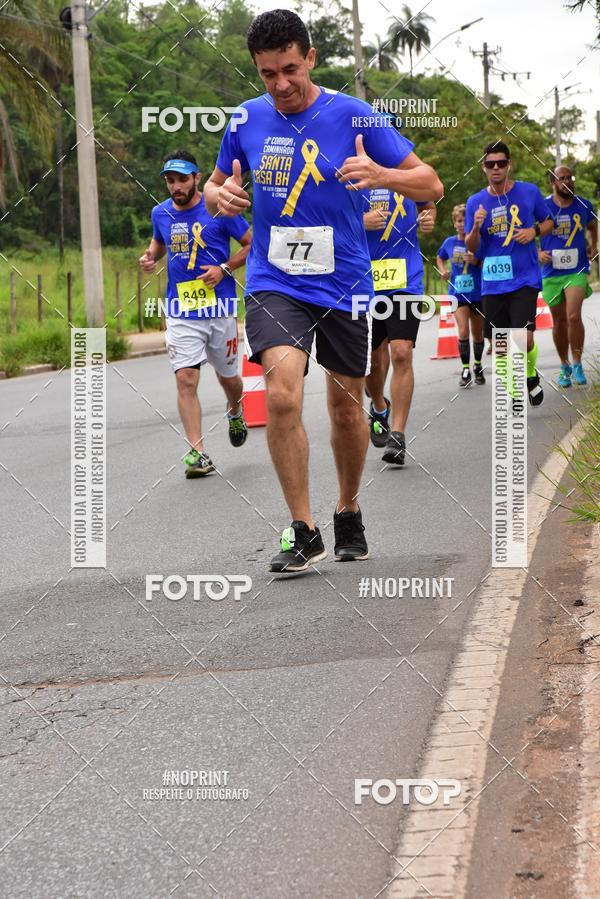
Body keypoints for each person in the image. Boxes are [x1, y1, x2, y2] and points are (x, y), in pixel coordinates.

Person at [203, 9, 443, 573]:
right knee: (283, 394)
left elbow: (429, 182)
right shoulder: (245, 119)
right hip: (274, 280)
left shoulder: (354, 115)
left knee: (344, 407)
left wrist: (382, 176)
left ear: (310, 58)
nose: (280, 84)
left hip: (345, 284)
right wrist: (222, 199)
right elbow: (216, 187)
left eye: (289, 69)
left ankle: (348, 509)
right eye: (267, 74)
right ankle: (302, 527)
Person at [140, 150, 252, 478]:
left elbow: (250, 243)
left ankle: (235, 409)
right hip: (181, 310)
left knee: (229, 378)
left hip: (219, 309)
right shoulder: (160, 214)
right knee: (186, 378)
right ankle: (197, 452)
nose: (175, 186)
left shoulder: (220, 208)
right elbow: (158, 246)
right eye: (170, 181)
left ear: (197, 178)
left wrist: (224, 267)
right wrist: (149, 259)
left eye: (182, 180)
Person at [465, 141, 554, 406]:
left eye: (501, 163)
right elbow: (472, 246)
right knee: (501, 344)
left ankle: (529, 373)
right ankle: (514, 396)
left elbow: (549, 220)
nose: (496, 168)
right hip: (492, 283)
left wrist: (533, 232)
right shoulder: (475, 202)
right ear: (483, 167)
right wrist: (475, 228)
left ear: (509, 165)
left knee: (523, 338)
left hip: (524, 278)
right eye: (490, 164)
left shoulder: (529, 192)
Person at [363, 191, 436, 463]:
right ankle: (380, 406)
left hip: (405, 281)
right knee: (370, 360)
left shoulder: (405, 171)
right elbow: (332, 219)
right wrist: (361, 221)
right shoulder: (351, 173)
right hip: (364, 282)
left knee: (402, 352)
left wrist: (429, 217)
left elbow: (428, 202)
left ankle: (398, 435)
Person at [539, 165, 598, 387]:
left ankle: (577, 363)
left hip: (577, 268)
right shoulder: (542, 206)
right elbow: (525, 231)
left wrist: (593, 247)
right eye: (561, 178)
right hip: (551, 272)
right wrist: (537, 252)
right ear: (553, 183)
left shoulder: (583, 204)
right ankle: (564, 365)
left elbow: (592, 226)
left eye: (569, 177)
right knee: (559, 321)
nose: (567, 182)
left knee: (573, 316)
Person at [436, 204, 485, 388]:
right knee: (463, 330)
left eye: (464, 220)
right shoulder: (449, 243)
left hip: (477, 293)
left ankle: (478, 365)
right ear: (454, 223)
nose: (461, 224)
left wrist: (476, 261)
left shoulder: (477, 241)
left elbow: (486, 262)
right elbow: (439, 257)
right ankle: (465, 369)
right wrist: (443, 271)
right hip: (457, 293)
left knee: (477, 334)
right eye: (458, 221)